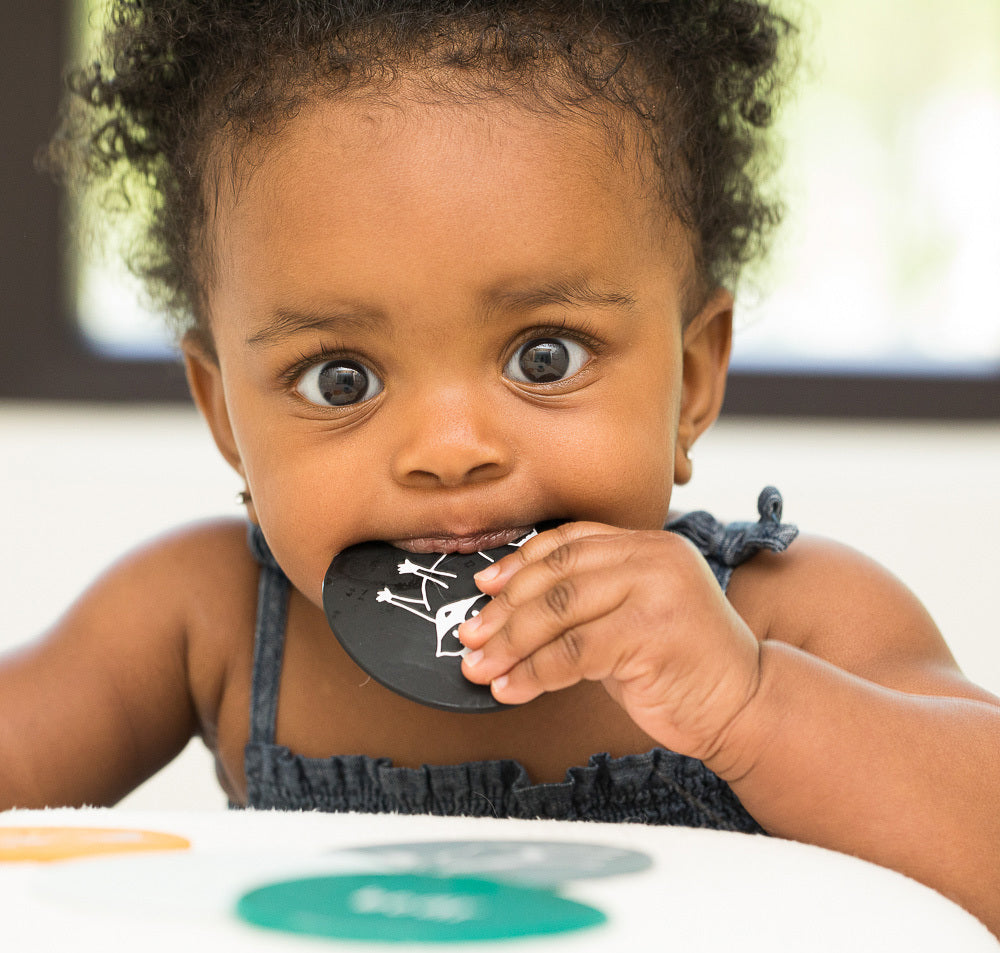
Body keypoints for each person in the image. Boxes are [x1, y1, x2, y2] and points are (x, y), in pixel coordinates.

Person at [6, 0, 999, 935]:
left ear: (690, 378)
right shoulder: (204, 616)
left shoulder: (789, 618)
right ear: (224, 410)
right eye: (340, 377)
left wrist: (749, 703)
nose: (448, 450)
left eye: (544, 357)